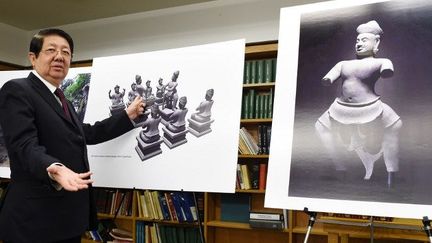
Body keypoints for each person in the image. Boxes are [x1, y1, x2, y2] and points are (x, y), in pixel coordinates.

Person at [0, 28, 145, 243]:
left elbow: (86, 133)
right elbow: (24, 145)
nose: (59, 56)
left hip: (66, 217)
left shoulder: (61, 98)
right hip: (34, 219)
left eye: (66, 52)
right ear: (33, 57)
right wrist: (54, 167)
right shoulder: (18, 90)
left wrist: (126, 116)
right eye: (51, 50)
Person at [315, 20, 402, 187]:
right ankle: (340, 166)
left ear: (376, 42)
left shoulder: (380, 61)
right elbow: (329, 76)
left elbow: (387, 68)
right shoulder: (344, 64)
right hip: (341, 108)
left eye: (364, 40)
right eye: (357, 40)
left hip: (370, 106)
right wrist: (328, 79)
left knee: (395, 125)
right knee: (320, 126)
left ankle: (391, 170)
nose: (359, 43)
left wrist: (386, 69)